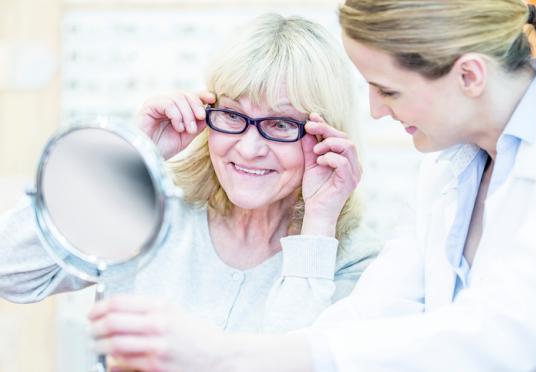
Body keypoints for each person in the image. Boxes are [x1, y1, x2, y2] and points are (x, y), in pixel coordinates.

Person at [88, 1, 536, 371]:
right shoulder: (446, 168)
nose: (375, 110)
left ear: (469, 76)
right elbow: (374, 313)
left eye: (388, 90)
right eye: (233, 116)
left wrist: (223, 356)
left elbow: (504, 332)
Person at [0, 13, 377, 334]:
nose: (248, 148)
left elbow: (296, 360)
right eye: (232, 115)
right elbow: (10, 272)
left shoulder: (353, 260)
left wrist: (318, 223)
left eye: (280, 124)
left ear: (325, 136)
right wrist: (129, 158)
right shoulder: (155, 214)